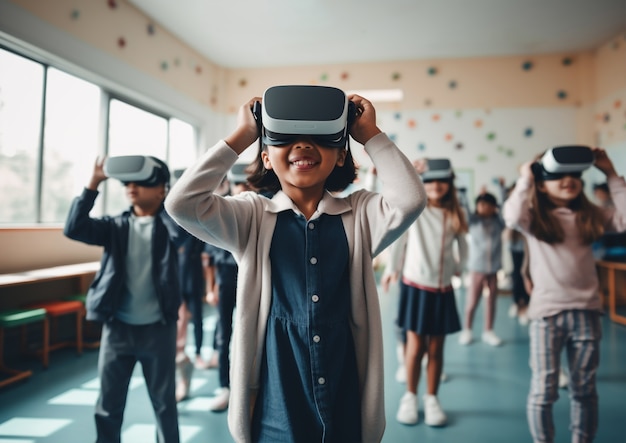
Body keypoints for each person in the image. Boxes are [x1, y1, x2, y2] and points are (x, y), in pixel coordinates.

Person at [165, 88, 426, 443]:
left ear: (339, 157)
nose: (302, 146)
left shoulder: (360, 215)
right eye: (286, 139)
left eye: (320, 139)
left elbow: (410, 199)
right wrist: (243, 135)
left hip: (343, 393)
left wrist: (369, 134)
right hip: (277, 402)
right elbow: (183, 203)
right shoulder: (251, 216)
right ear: (267, 158)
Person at [503, 147, 626, 443]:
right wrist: (525, 177)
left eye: (575, 174)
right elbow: (511, 216)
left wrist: (611, 174)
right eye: (558, 175)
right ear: (541, 183)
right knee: (543, 391)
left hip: (587, 313)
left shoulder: (591, 216)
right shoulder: (533, 219)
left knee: (584, 390)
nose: (568, 179)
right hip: (547, 315)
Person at [64, 155, 184, 443]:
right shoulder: (114, 226)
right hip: (118, 329)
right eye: (127, 183)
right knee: (108, 405)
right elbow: (74, 227)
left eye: (142, 182)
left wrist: (170, 205)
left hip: (158, 329)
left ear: (161, 190)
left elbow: (184, 232)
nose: (132, 187)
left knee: (165, 404)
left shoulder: (171, 227)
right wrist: (93, 184)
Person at [382, 157, 468, 427]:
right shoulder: (416, 209)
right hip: (416, 284)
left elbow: (463, 246)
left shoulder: (455, 214)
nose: (436, 185)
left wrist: (459, 268)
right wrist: (391, 268)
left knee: (437, 348)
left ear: (450, 184)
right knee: (415, 346)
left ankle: (432, 398)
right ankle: (410, 396)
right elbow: (398, 238)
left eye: (442, 180)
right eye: (430, 180)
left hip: (442, 288)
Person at [203, 168, 250, 412]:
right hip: (225, 279)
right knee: (223, 334)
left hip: (252, 279)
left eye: (246, 183)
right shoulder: (222, 211)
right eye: (237, 183)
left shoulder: (257, 209)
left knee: (252, 333)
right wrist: (211, 289)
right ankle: (225, 386)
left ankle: (250, 387)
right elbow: (209, 258)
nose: (241, 187)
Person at [458, 191, 506, 346]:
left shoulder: (498, 222)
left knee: (491, 300)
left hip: (493, 269)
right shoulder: (474, 221)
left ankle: (488, 331)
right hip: (477, 268)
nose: (483, 207)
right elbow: (465, 208)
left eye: (487, 205)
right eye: (480, 204)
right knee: (472, 301)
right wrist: (464, 194)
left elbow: (505, 209)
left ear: (494, 207)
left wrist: (502, 189)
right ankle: (467, 329)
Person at [174, 233, 210, 402]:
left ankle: (197, 353)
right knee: (179, 321)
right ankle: (180, 352)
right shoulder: (175, 234)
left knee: (197, 320)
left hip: (194, 281)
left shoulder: (196, 234)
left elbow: (205, 258)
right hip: (179, 281)